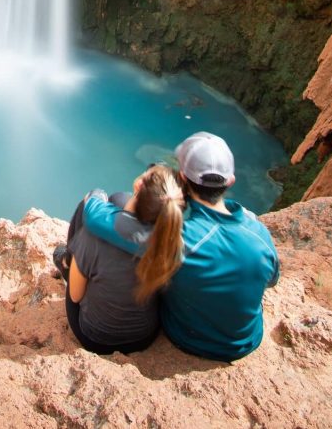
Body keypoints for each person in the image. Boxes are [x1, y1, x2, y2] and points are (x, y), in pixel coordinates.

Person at [82, 132, 280, 362]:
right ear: (230, 181)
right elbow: (272, 280)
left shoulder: (177, 240)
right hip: (247, 341)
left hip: (188, 338)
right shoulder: (259, 233)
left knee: (122, 201)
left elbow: (95, 217)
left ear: (183, 179)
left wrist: (96, 196)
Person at [53, 164, 185, 355]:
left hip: (95, 338)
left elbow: (75, 296)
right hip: (143, 337)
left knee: (86, 209)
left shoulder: (92, 237)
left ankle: (68, 262)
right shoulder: (172, 242)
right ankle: (76, 261)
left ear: (139, 185)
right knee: (118, 198)